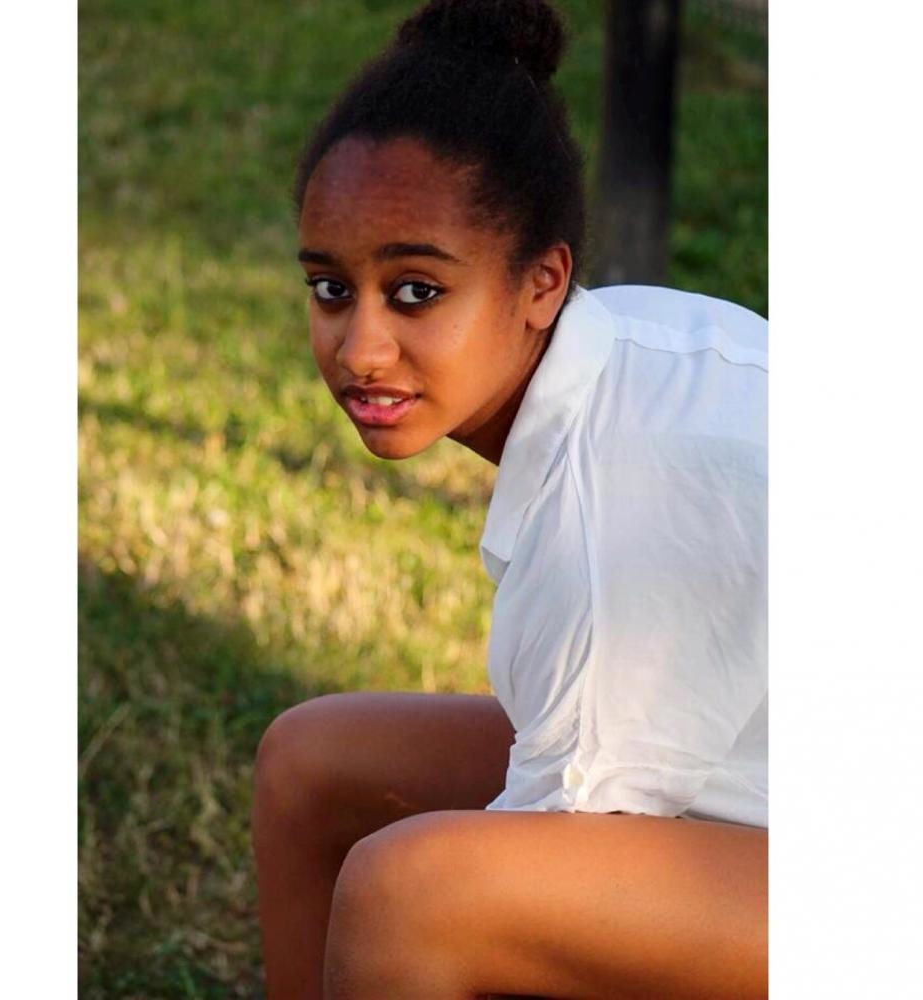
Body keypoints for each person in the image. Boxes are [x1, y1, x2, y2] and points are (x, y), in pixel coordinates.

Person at [251, 0, 768, 997]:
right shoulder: (616, 345)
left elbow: (551, 874)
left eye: (415, 291)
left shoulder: (617, 502)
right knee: (309, 763)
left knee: (416, 897)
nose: (360, 348)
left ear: (542, 281)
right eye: (330, 288)